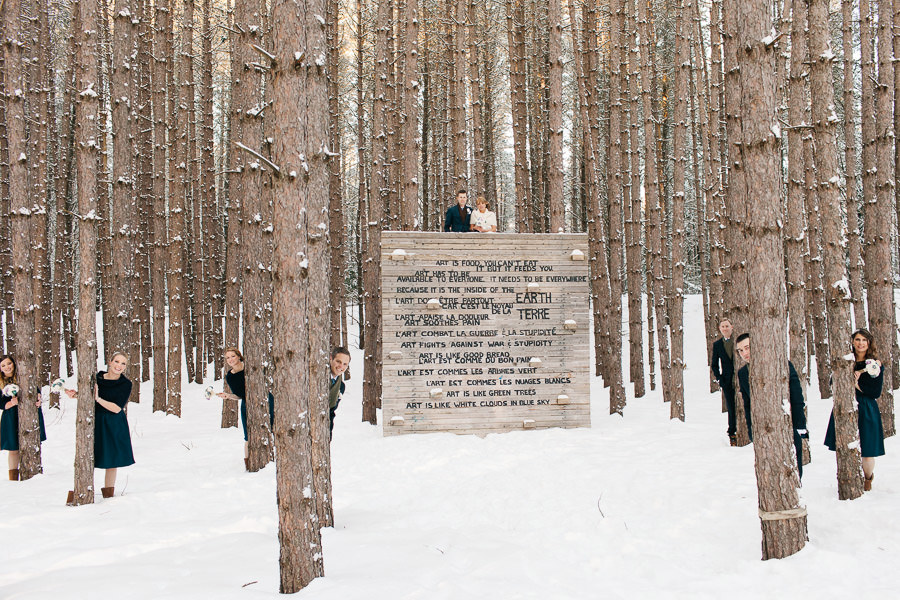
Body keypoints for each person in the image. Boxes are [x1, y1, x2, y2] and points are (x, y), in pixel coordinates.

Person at [735, 333, 808, 479]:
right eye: (740, 350)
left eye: (747, 348)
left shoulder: (780, 364)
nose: (745, 353)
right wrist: (752, 431)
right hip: (763, 430)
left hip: (787, 424)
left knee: (793, 470)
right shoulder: (742, 373)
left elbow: (796, 395)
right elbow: (748, 405)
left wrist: (800, 425)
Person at [65, 352, 135, 497]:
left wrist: (98, 399)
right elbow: (88, 395)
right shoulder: (97, 378)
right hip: (95, 420)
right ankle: (81, 491)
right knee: (89, 455)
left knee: (111, 458)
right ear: (110, 362)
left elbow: (117, 408)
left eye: (123, 363)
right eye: (117, 361)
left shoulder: (125, 384)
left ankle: (108, 494)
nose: (119, 366)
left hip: (114, 423)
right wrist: (76, 394)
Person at [824, 328, 885, 491]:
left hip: (866, 407)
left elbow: (875, 392)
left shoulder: (875, 364)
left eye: (864, 340)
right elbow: (832, 382)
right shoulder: (845, 361)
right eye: (858, 339)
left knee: (868, 448)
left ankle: (867, 480)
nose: (861, 343)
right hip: (845, 405)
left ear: (869, 343)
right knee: (845, 446)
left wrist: (856, 383)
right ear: (852, 342)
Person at [216, 347, 274, 470]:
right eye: (227, 358)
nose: (230, 359)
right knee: (248, 434)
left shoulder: (251, 367)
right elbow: (239, 395)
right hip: (247, 404)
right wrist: (228, 396)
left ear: (239, 356)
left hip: (265, 399)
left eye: (232, 356)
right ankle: (249, 464)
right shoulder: (230, 377)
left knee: (273, 427)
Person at [0, 355, 47, 481]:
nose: (7, 367)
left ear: (14, 364)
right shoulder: (1, 383)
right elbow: (0, 403)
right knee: (14, 448)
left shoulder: (23, 377)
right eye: (3, 365)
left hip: (29, 413)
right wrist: (10, 403)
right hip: (11, 416)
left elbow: (36, 391)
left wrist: (38, 399)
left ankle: (33, 474)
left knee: (30, 443)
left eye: (9, 363)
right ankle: (13, 478)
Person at [710, 318, 737, 445]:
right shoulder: (717, 345)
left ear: (732, 327)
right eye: (723, 327)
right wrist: (719, 378)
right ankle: (732, 432)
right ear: (720, 329)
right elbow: (714, 364)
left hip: (741, 378)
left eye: (727, 326)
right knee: (731, 407)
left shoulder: (738, 341)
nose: (725, 328)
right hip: (727, 380)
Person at [329, 347, 351, 434]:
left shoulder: (341, 386)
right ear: (331, 359)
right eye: (338, 361)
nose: (341, 366)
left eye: (345, 364)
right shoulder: (318, 377)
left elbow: (331, 412)